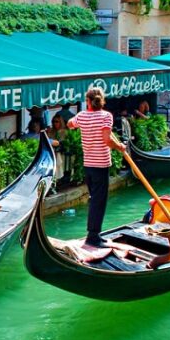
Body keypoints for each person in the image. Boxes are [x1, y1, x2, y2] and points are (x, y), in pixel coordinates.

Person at [68, 86, 126, 247]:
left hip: (88, 164)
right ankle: (93, 236)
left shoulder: (82, 116)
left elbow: (69, 124)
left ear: (88, 101)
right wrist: (119, 146)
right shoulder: (106, 116)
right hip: (101, 164)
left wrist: (81, 122)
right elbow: (107, 140)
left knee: (94, 199)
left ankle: (94, 234)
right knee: (99, 201)